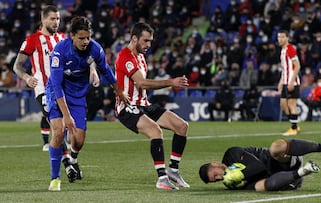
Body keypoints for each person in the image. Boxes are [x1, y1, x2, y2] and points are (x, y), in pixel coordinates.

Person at [45, 16, 128, 191]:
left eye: (88, 37)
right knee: (59, 132)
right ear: (72, 36)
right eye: (81, 38)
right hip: (57, 92)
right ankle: (55, 179)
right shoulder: (60, 51)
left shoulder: (95, 49)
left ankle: (72, 160)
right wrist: (66, 116)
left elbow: (106, 70)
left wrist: (119, 92)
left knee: (79, 140)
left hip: (77, 95)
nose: (85, 41)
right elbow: (57, 85)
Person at [12, 5, 99, 151]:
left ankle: (70, 156)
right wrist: (27, 77)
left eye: (58, 18)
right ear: (43, 19)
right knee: (58, 128)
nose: (56, 22)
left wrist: (92, 69)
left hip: (64, 90)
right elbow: (17, 66)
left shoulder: (63, 39)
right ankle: (67, 164)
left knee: (73, 133)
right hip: (44, 90)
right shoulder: (32, 40)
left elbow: (84, 55)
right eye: (52, 19)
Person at [115, 22, 190, 190]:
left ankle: (173, 170)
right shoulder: (125, 56)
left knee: (182, 126)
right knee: (155, 130)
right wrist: (171, 82)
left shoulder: (141, 56)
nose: (149, 45)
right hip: (127, 107)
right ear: (134, 39)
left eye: (150, 41)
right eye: (146, 41)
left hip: (144, 104)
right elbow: (142, 83)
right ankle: (162, 178)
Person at [199, 138, 321, 191]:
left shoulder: (231, 154)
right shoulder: (231, 183)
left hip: (284, 160)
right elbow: (258, 185)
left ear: (215, 164)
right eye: (216, 180)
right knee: (259, 188)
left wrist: (240, 174)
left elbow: (258, 166)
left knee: (275, 148)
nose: (220, 178)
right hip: (284, 180)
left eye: (216, 174)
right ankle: (304, 172)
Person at [277, 30, 301, 136]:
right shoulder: (282, 50)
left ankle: (294, 128)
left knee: (291, 104)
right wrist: (281, 81)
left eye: (282, 37)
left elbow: (297, 66)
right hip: (286, 81)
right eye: (279, 37)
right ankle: (294, 123)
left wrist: (291, 81)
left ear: (287, 38)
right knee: (283, 103)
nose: (280, 39)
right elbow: (284, 69)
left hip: (292, 82)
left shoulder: (290, 49)